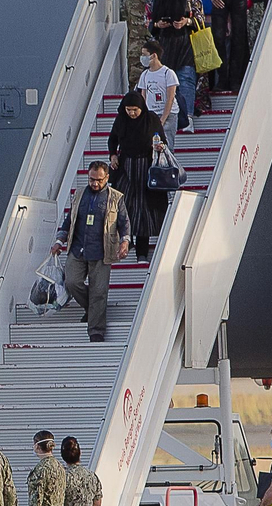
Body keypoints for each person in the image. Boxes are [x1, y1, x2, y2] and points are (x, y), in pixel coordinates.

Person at [52, 161, 131, 341]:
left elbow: (124, 223)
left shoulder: (116, 198)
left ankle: (96, 331)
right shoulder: (79, 194)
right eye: (92, 179)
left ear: (107, 178)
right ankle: (93, 308)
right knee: (72, 282)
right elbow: (68, 222)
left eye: (99, 180)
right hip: (78, 248)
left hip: (102, 252)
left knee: (99, 291)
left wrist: (125, 242)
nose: (95, 183)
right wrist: (59, 241)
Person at [106, 93, 166, 264]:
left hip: (145, 169)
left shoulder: (151, 119)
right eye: (129, 110)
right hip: (126, 167)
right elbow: (112, 140)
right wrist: (113, 156)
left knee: (144, 211)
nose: (132, 113)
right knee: (124, 206)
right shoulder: (121, 120)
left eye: (135, 110)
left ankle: (142, 252)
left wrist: (160, 146)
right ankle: (125, 242)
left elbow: (163, 140)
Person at [150, 0, 205, 132]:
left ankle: (187, 117)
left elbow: (200, 18)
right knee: (164, 82)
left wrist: (186, 22)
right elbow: (148, 21)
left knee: (186, 78)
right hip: (164, 44)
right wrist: (158, 24)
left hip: (185, 42)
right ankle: (167, 118)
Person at [136, 40, 179, 149]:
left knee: (167, 144)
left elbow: (170, 97)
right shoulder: (145, 75)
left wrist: (163, 118)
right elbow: (143, 96)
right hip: (151, 114)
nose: (143, 57)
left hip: (168, 114)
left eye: (145, 54)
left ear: (154, 55)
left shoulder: (168, 73)